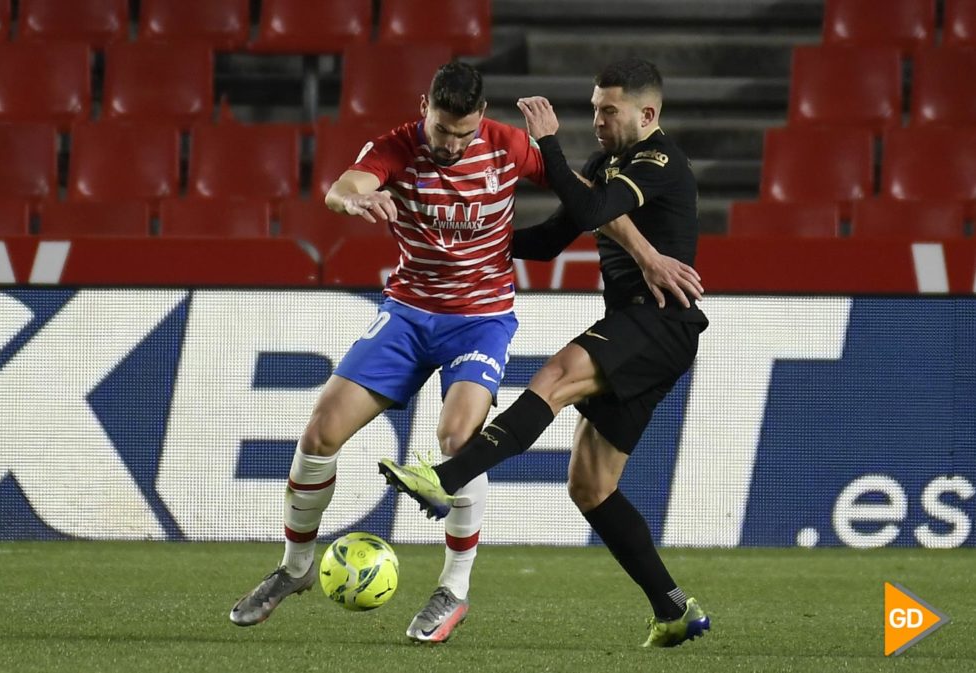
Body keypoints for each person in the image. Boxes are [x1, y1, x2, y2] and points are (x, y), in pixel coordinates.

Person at [379, 57, 711, 648]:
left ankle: (445, 476)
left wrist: (547, 145)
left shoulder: (659, 161)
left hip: (659, 323)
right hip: (636, 327)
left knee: (554, 376)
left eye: (609, 110)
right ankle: (674, 608)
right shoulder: (603, 164)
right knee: (590, 486)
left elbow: (590, 212)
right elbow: (554, 238)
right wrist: (467, 233)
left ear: (647, 114)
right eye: (594, 108)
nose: (598, 120)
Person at [229, 61, 547, 643]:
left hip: (480, 320)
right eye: (441, 130)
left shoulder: (508, 146)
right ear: (424, 104)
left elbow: (573, 190)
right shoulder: (398, 146)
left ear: (483, 118)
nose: (450, 145)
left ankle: (454, 589)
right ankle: (295, 568)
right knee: (320, 433)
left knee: (458, 441)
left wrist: (554, 148)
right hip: (406, 314)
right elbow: (341, 188)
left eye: (463, 133)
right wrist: (354, 202)